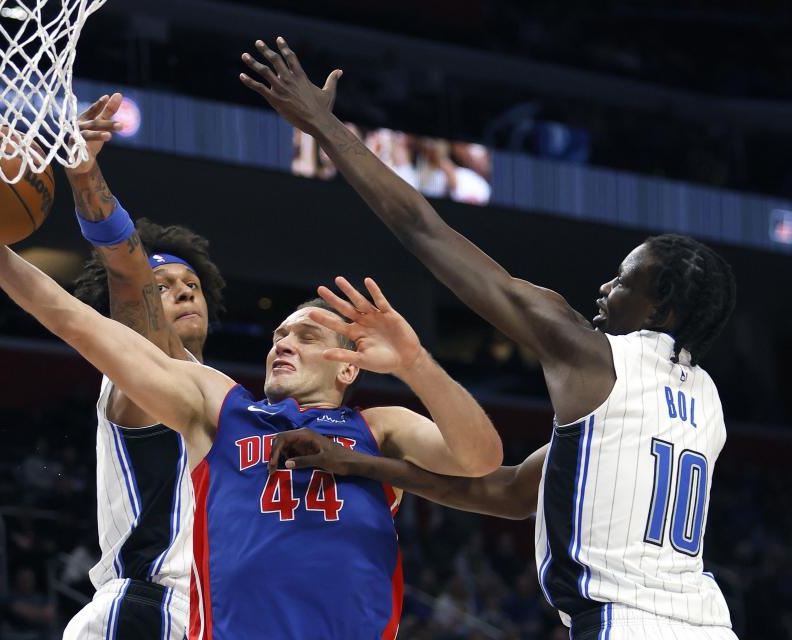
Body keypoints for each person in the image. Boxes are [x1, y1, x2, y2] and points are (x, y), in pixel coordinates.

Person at [241, 36, 738, 639]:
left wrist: (325, 127)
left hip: (626, 625)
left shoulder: (591, 354)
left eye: (625, 280)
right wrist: (367, 466)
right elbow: (508, 494)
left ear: (661, 306)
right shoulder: (705, 401)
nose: (605, 289)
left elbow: (422, 229)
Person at [0, 173, 503, 638]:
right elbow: (74, 319)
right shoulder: (222, 404)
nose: (284, 342)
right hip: (171, 612)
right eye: (278, 335)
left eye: (305, 335)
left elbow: (479, 458)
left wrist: (417, 363)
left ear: (350, 366)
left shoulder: (379, 426)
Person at [63, 93, 227, 640]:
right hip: (148, 608)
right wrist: (86, 173)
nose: (182, 292)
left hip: (209, 616)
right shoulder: (140, 367)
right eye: (164, 287)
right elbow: (126, 272)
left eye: (192, 285)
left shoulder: (228, 394)